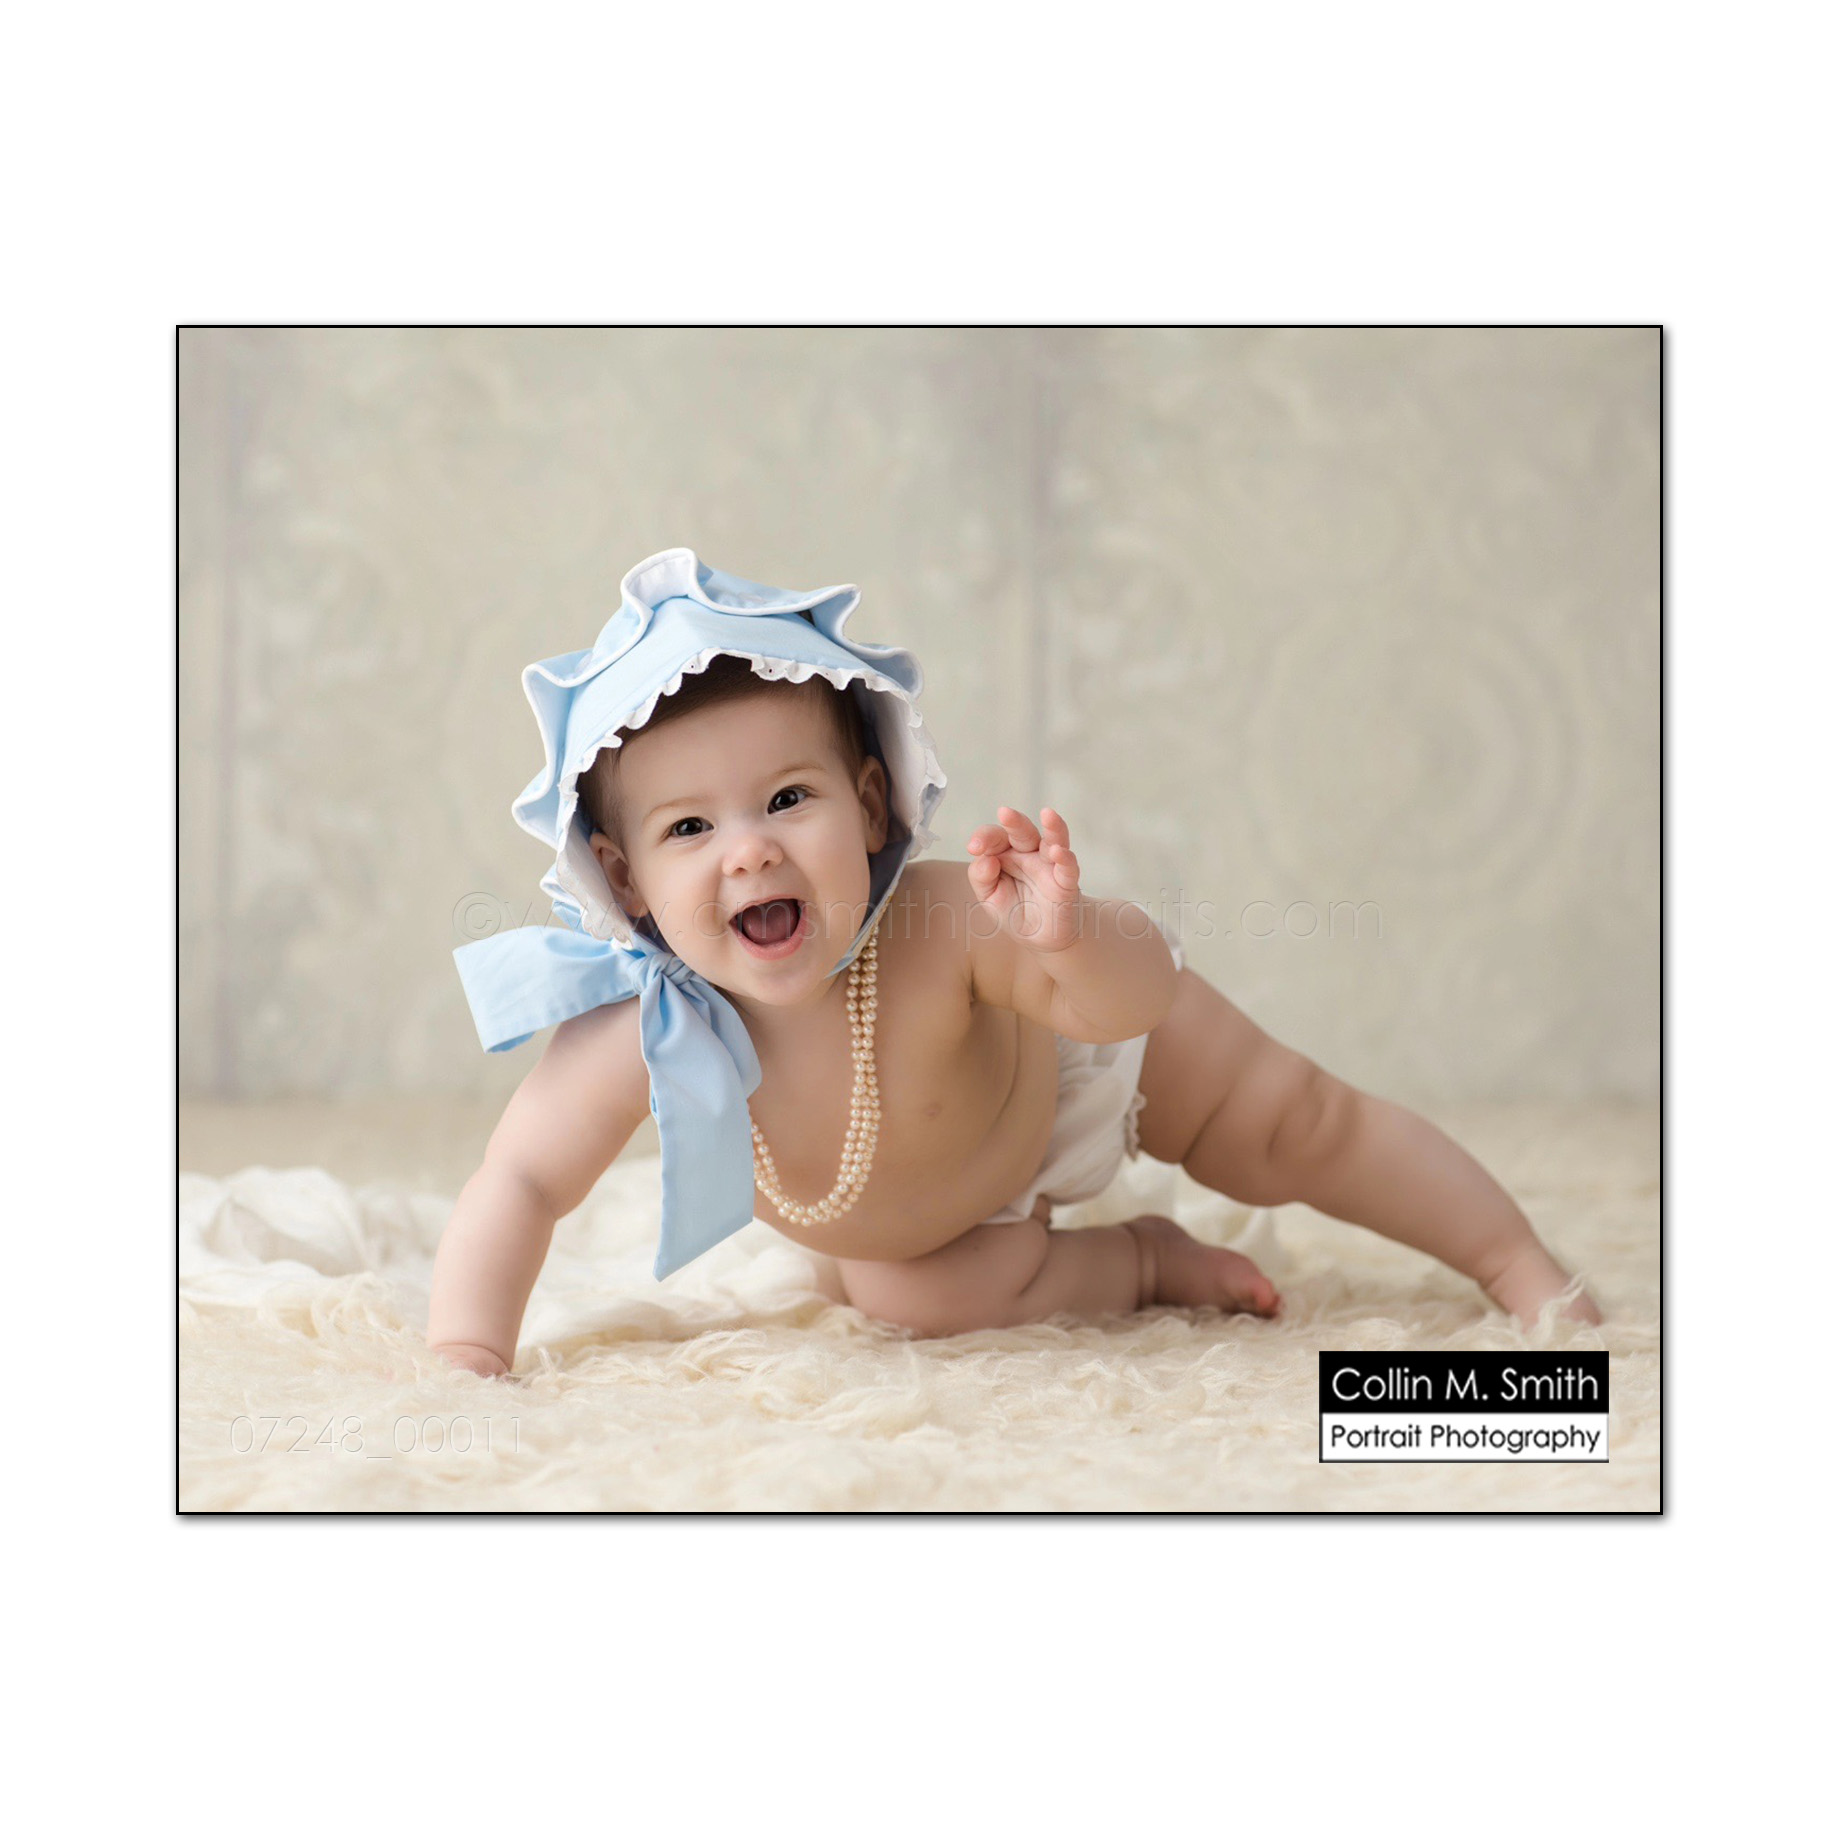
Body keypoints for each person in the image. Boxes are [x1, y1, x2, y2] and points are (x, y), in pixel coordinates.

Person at [429, 549, 1599, 1377]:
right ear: (625, 878)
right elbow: (521, 1180)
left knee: (1293, 1120)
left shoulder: (939, 921)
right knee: (912, 1298)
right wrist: (468, 1350)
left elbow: (1131, 996)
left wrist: (1064, 936)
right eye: (689, 827)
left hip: (1075, 1032)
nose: (750, 850)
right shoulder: (639, 1025)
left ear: (870, 805)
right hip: (943, 1225)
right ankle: (1140, 1263)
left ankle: (1508, 1255)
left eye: (787, 798)